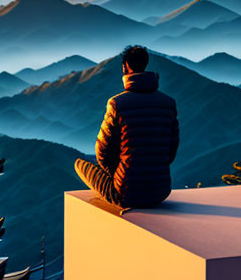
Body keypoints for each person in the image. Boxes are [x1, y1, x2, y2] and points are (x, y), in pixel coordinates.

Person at [74, 45, 179, 210]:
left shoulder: (116, 104)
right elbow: (171, 150)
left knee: (80, 163)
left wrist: (118, 173)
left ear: (124, 68)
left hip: (126, 195)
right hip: (160, 192)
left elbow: (102, 151)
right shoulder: (168, 103)